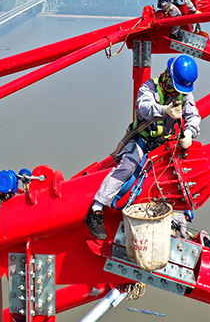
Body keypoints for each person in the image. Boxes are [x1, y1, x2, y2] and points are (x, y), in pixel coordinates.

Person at [85, 55, 201, 240]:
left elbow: (193, 115)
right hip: (143, 140)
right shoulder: (150, 87)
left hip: (164, 144)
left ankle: (176, 215)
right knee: (127, 168)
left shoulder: (184, 94)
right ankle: (97, 207)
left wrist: (189, 133)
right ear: (169, 77)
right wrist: (165, 110)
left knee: (176, 176)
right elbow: (143, 107)